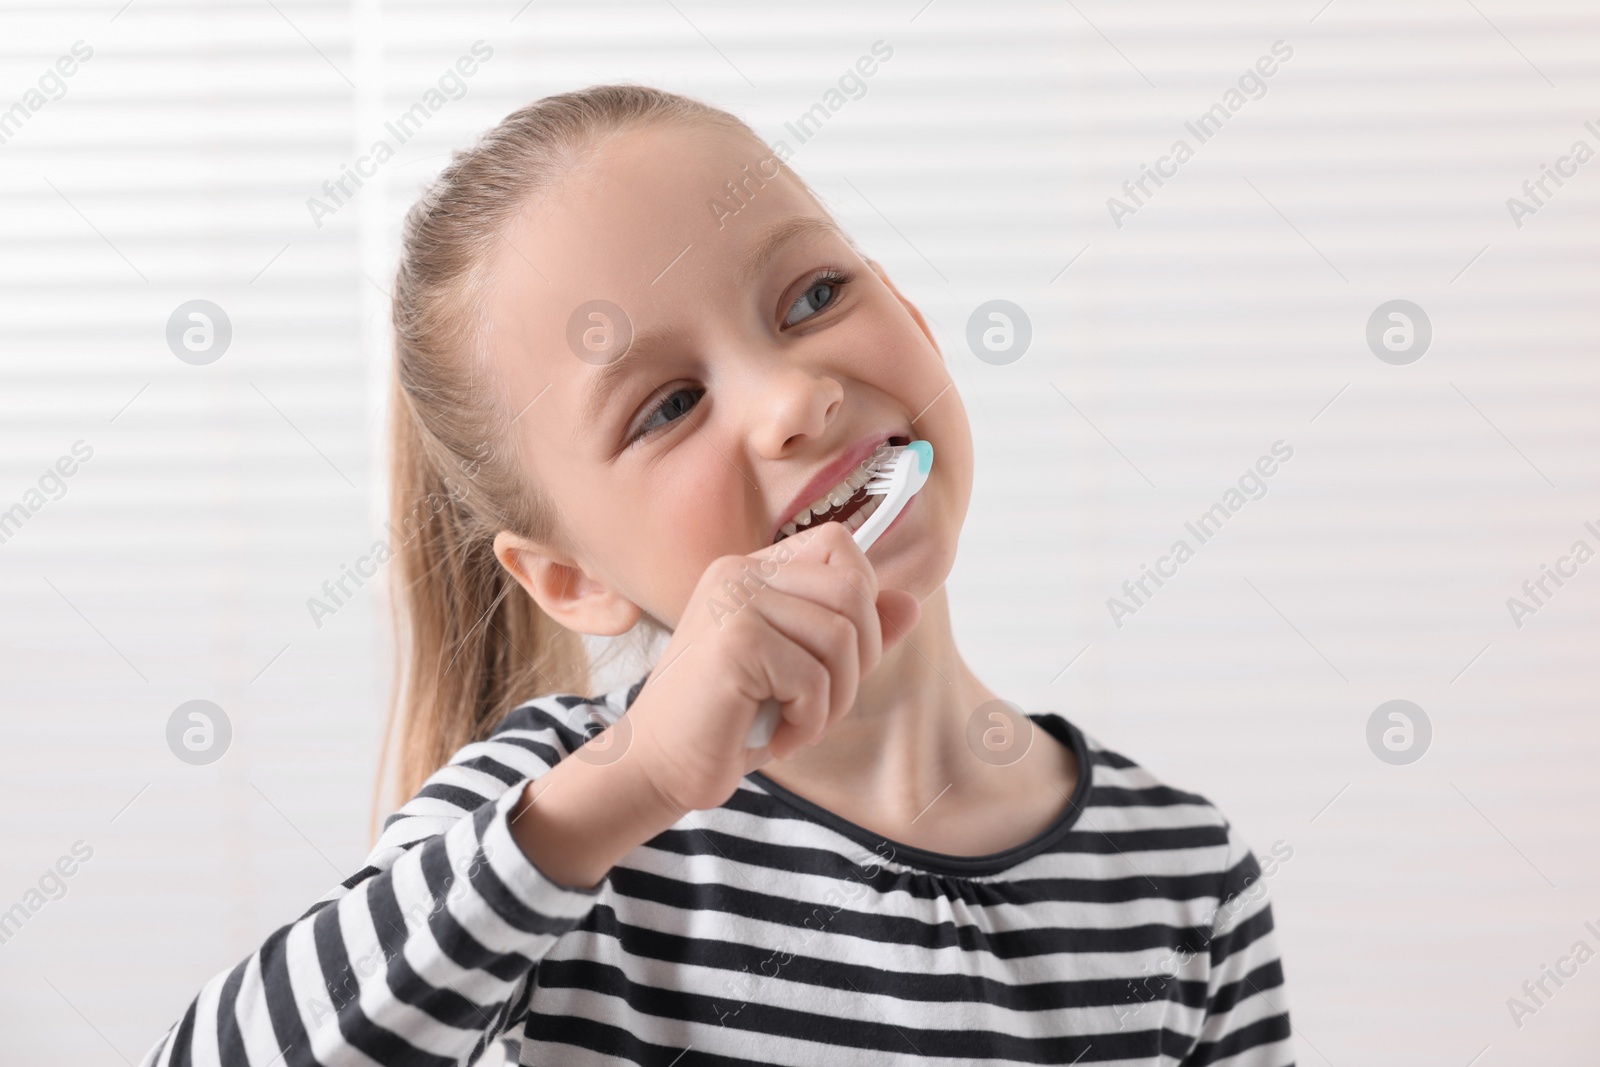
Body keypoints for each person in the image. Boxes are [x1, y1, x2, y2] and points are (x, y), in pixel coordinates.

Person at [140, 84, 1294, 1066]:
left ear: (919, 323)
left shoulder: (1184, 877)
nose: (795, 398)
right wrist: (625, 786)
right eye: (670, 405)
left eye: (814, 296)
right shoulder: (560, 815)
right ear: (570, 580)